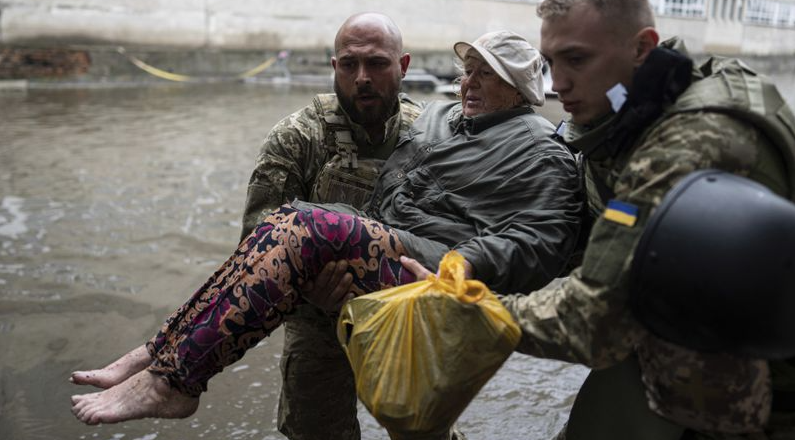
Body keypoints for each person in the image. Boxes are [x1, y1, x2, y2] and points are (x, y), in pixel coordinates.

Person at [69, 30, 583, 434]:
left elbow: (543, 242)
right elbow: (256, 239)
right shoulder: (435, 120)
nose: (467, 84)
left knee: (311, 227)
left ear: (518, 89)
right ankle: (161, 353)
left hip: (427, 276)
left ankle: (175, 380)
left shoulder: (539, 149)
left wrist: (463, 263)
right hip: (355, 272)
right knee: (286, 220)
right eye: (465, 72)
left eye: (484, 76)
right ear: (334, 66)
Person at [408, 1, 794, 439]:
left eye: (577, 59)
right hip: (673, 336)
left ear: (641, 49)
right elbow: (588, 239)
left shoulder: (688, 144)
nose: (558, 83)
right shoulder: (630, 111)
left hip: (755, 388)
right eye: (551, 62)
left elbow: (593, 319)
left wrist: (460, 308)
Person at [239, 13, 421, 440]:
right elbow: (256, 241)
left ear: (404, 66)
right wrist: (307, 288)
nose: (362, 77)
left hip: (403, 314)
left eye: (376, 63)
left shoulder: (431, 136)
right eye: (348, 63)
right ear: (334, 65)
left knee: (425, 425)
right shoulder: (297, 137)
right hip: (318, 319)